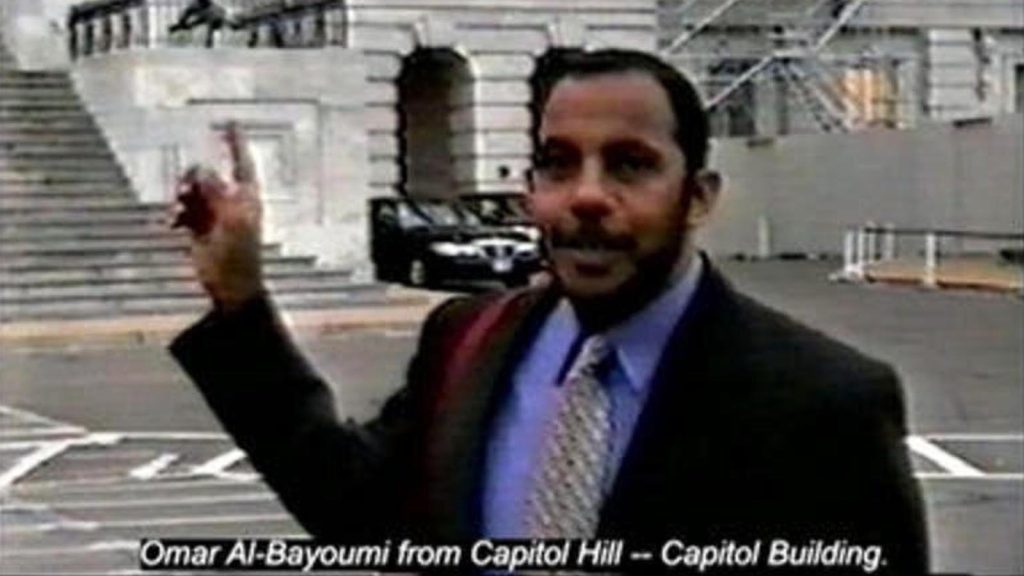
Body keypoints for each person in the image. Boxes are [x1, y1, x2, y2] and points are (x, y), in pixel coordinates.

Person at [169, 49, 927, 574]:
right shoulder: (468, 338)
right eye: (558, 164)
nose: (587, 195)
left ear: (698, 197)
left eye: (629, 164)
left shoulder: (825, 404)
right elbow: (359, 512)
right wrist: (240, 299)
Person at [167, 0, 233, 48]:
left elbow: (213, 24)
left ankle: (176, 28)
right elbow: (186, 14)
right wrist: (182, 23)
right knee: (197, 22)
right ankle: (176, 28)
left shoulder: (215, 10)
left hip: (211, 16)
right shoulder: (194, 6)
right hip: (207, 16)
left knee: (208, 21)